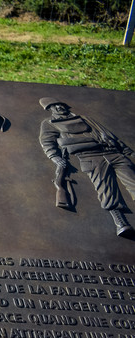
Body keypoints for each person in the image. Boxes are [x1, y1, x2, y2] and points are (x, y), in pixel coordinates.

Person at [38, 97, 135, 237]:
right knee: (105, 189)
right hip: (89, 157)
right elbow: (47, 142)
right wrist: (55, 157)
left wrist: (127, 151)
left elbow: (109, 135)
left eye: (60, 104)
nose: (59, 107)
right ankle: (121, 223)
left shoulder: (85, 119)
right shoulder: (49, 123)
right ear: (49, 109)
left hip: (113, 153)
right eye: (54, 106)